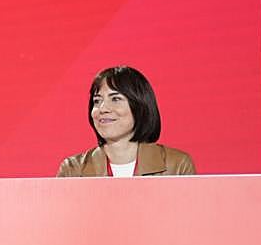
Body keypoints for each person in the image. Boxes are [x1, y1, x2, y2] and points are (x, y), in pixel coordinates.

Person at [57, 66, 195, 177]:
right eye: (97, 101)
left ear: (140, 106)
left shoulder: (177, 165)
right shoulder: (73, 170)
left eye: (115, 99)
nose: (103, 109)